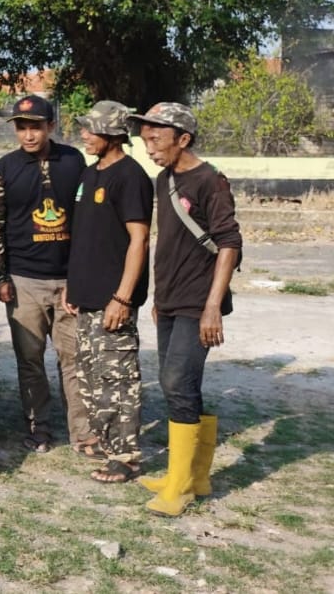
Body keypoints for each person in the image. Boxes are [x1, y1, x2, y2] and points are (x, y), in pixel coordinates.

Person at [130, 102, 241, 517]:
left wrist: (213, 306)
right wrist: (160, 298)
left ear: (183, 139)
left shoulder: (211, 180)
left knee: (177, 384)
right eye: (145, 141)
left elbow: (229, 243)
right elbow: (171, 242)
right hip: (172, 299)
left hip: (200, 301)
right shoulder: (165, 179)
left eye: (156, 139)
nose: (150, 148)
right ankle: (195, 476)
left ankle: (179, 486)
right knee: (178, 383)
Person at [0, 95, 89, 454]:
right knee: (30, 360)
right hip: (24, 280)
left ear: (51, 127)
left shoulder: (74, 161)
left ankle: (82, 433)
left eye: (36, 127)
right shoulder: (2, 169)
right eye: (22, 127)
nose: (29, 135)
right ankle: (38, 429)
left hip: (69, 280)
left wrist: (81, 277)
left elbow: (86, 220)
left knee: (73, 358)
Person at [63, 101, 152, 484]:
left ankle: (126, 458)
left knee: (118, 382)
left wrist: (123, 298)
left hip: (112, 301)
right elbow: (85, 237)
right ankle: (108, 443)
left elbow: (139, 239)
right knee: (92, 379)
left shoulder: (130, 176)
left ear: (113, 134)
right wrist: (73, 284)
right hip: (86, 298)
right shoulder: (89, 174)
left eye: (90, 129)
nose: (83, 135)